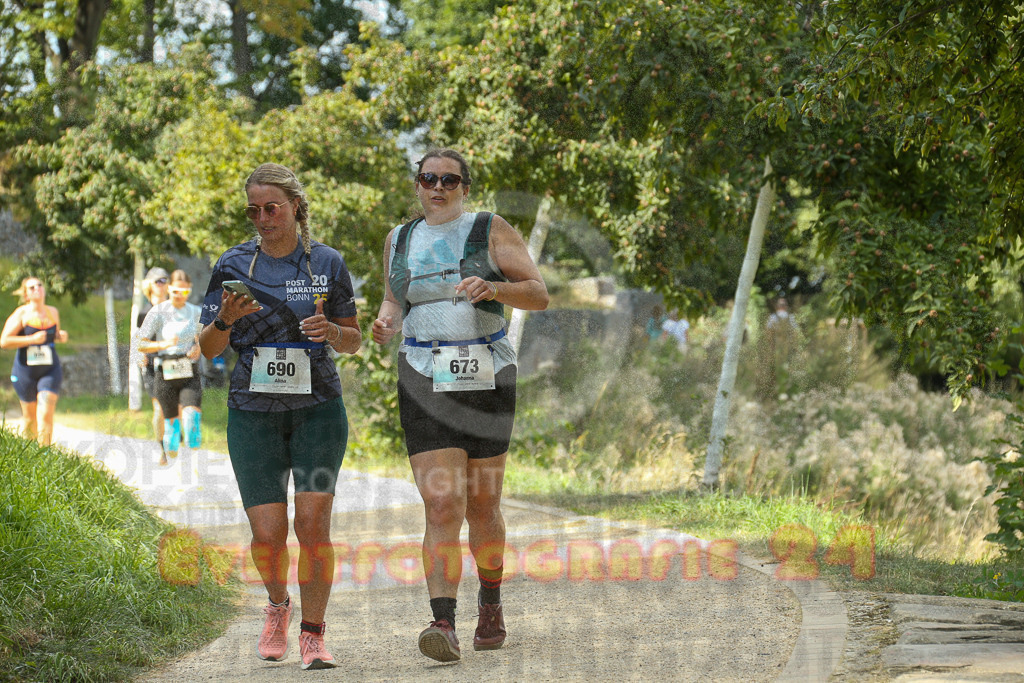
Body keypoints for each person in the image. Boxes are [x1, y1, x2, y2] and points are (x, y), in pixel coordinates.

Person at [372, 148, 549, 662]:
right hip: (424, 373)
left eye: (450, 180)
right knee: (442, 503)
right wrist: (386, 323)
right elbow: (393, 300)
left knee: (483, 504)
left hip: (487, 372)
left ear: (465, 188)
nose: (438, 187)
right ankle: (442, 622)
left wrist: (493, 286)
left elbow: (538, 293)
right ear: (418, 183)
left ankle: (490, 603)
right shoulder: (399, 239)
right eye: (428, 178)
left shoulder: (491, 228)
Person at [198, 162, 360, 671]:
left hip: (317, 411)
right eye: (254, 209)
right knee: (268, 533)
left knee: (312, 525)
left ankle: (314, 634)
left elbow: (353, 339)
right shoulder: (232, 264)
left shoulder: (326, 263)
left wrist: (331, 333)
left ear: (294, 206)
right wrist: (226, 319)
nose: (263, 217)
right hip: (252, 412)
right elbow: (205, 349)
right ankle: (276, 606)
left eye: (272, 207)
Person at [137, 270, 202, 466]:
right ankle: (168, 453)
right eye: (175, 292)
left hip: (188, 370)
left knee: (192, 422)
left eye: (183, 292)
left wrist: (198, 347)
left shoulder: (195, 312)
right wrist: (163, 345)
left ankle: (192, 464)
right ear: (169, 289)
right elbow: (141, 343)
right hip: (163, 371)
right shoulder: (157, 311)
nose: (179, 296)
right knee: (171, 429)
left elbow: (203, 338)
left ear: (189, 292)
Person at [1, 277, 69, 446]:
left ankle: (46, 454)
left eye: (39, 285)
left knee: (46, 413)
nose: (37, 288)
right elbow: (4, 341)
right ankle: (32, 455)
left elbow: (54, 336)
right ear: (26, 295)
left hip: (50, 370)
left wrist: (61, 336)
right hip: (25, 372)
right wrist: (31, 339)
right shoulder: (21, 313)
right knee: (30, 419)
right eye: (32, 287)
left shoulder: (53, 312)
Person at [136, 266, 170, 452]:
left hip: (175, 363)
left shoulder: (176, 308)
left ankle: (175, 442)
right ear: (150, 285)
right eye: (158, 281)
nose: (162, 284)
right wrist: (140, 357)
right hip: (152, 365)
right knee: (159, 409)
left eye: (165, 280)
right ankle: (162, 447)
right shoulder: (144, 312)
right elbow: (139, 339)